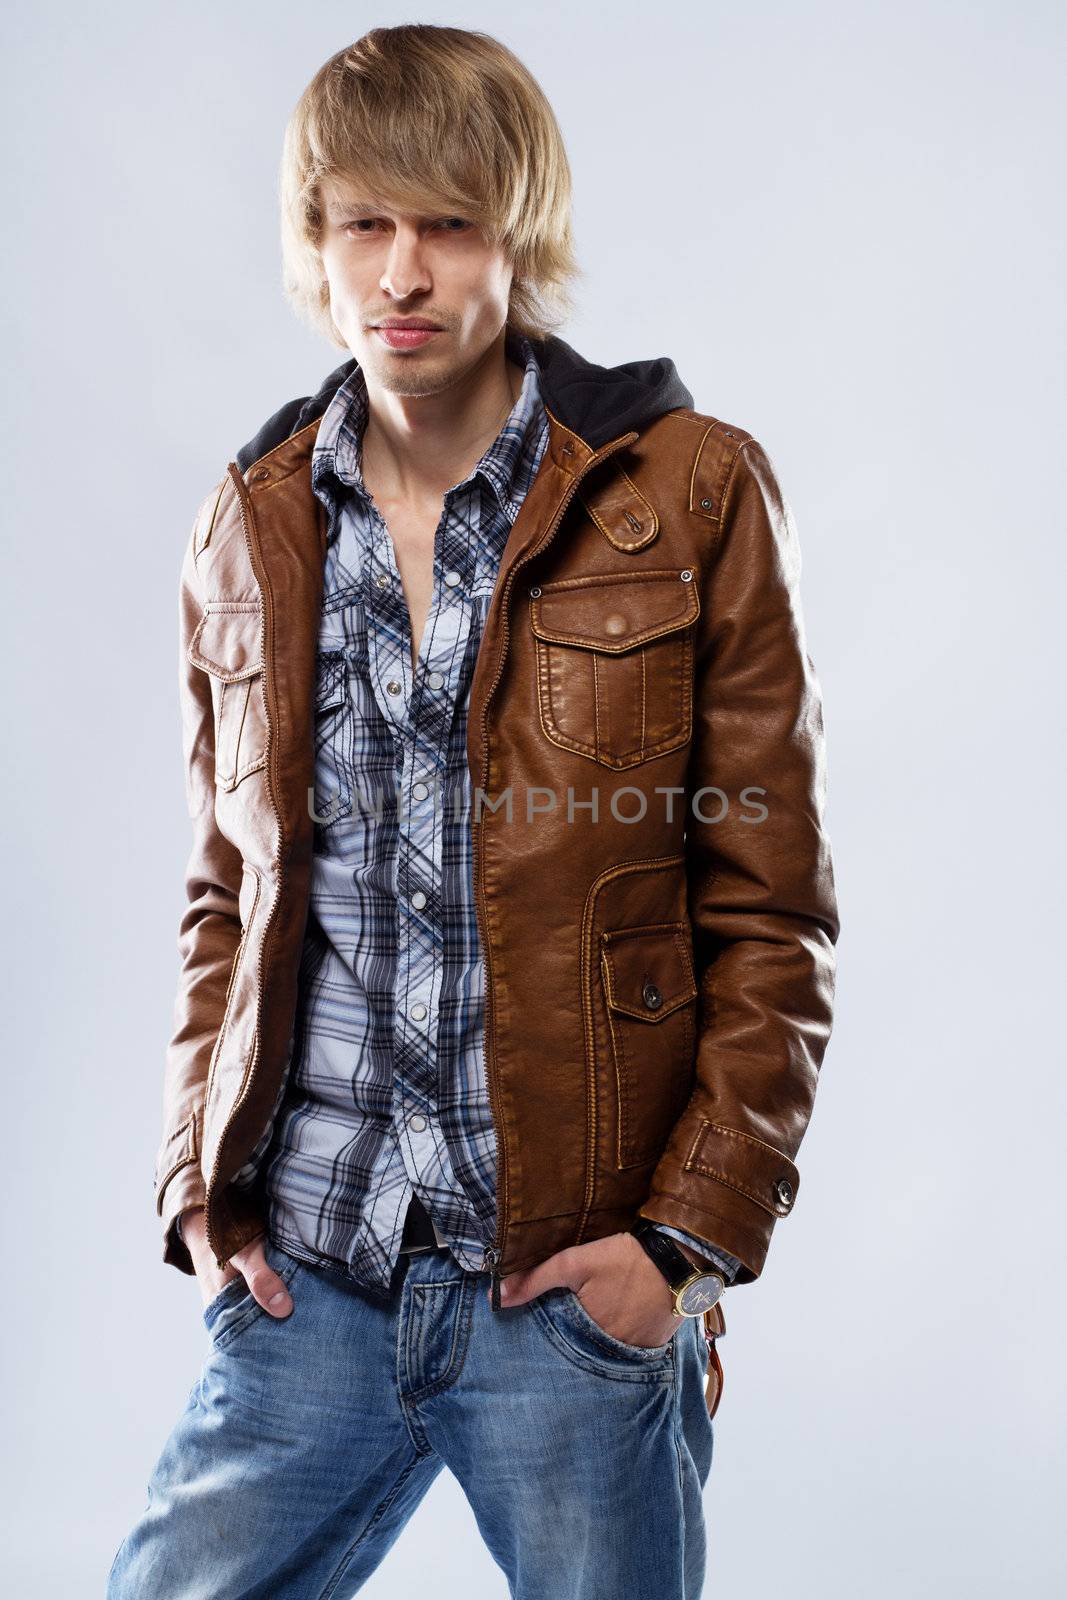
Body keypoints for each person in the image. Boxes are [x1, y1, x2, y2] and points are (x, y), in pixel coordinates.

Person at [108, 22, 839, 1600]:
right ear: (317, 247)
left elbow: (772, 910)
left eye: (447, 222)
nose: (404, 271)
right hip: (311, 1278)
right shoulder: (248, 523)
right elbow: (223, 895)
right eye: (362, 222)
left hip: (570, 1288)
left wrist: (675, 1254)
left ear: (519, 238)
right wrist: (198, 1188)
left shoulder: (687, 494)